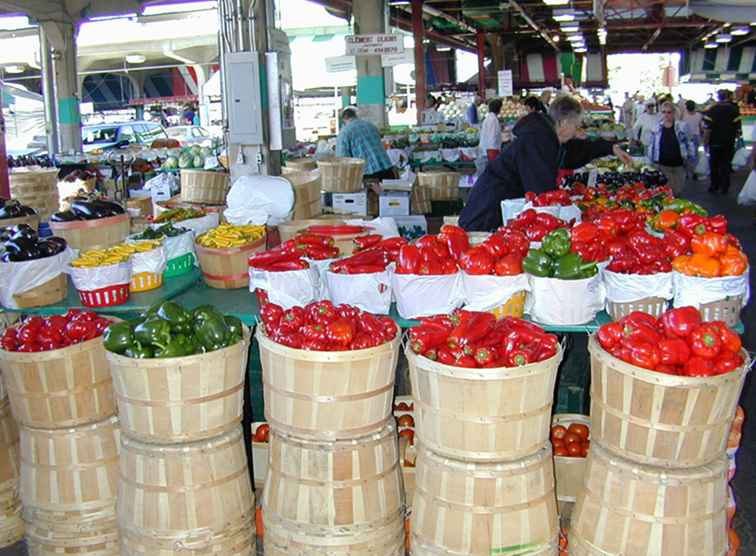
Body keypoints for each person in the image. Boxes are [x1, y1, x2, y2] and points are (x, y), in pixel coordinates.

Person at [459, 95, 586, 231]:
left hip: (491, 210)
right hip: (485, 216)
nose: (575, 132)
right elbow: (541, 191)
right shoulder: (538, 140)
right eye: (576, 126)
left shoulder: (541, 136)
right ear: (565, 123)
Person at [647, 102, 695, 195]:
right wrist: (651, 161)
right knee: (669, 191)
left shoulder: (682, 127)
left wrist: (690, 158)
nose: (666, 115)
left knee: (678, 190)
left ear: (673, 113)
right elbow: (652, 145)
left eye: (669, 112)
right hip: (663, 164)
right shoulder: (657, 128)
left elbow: (689, 142)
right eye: (664, 112)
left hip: (679, 164)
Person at [336, 107, 395, 180]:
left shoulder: (345, 132)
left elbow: (342, 159)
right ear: (355, 116)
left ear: (344, 119)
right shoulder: (371, 125)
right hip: (387, 168)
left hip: (369, 175)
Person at [704, 89, 741, 194]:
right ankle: (725, 187)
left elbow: (708, 129)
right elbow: (738, 129)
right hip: (729, 142)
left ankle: (714, 185)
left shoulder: (712, 110)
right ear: (727, 97)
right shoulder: (734, 110)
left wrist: (705, 142)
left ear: (718, 97)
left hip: (714, 142)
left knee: (714, 165)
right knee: (726, 164)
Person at [681, 100, 703, 176]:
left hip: (686, 137)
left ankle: (687, 172)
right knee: (695, 155)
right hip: (696, 136)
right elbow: (701, 127)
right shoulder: (699, 115)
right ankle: (695, 170)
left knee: (686, 154)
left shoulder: (684, 115)